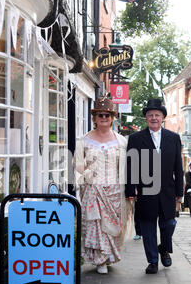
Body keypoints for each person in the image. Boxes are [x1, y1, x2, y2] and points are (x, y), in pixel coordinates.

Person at [125, 98, 183, 274]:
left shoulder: (173, 138)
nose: (154, 118)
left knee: (170, 224)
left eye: (157, 115)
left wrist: (179, 193)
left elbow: (178, 168)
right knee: (148, 227)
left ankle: (164, 248)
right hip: (145, 190)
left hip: (167, 190)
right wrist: (130, 189)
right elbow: (131, 165)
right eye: (150, 115)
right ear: (146, 118)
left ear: (163, 117)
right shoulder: (135, 139)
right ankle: (152, 261)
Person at [74, 96, 130, 274]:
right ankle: (100, 260)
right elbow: (77, 163)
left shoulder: (121, 141)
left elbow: (126, 166)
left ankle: (109, 256)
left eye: (107, 115)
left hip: (114, 190)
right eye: (100, 115)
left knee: (112, 227)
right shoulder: (84, 139)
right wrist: (88, 174)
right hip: (93, 190)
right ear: (95, 118)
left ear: (112, 117)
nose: (104, 118)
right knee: (96, 225)